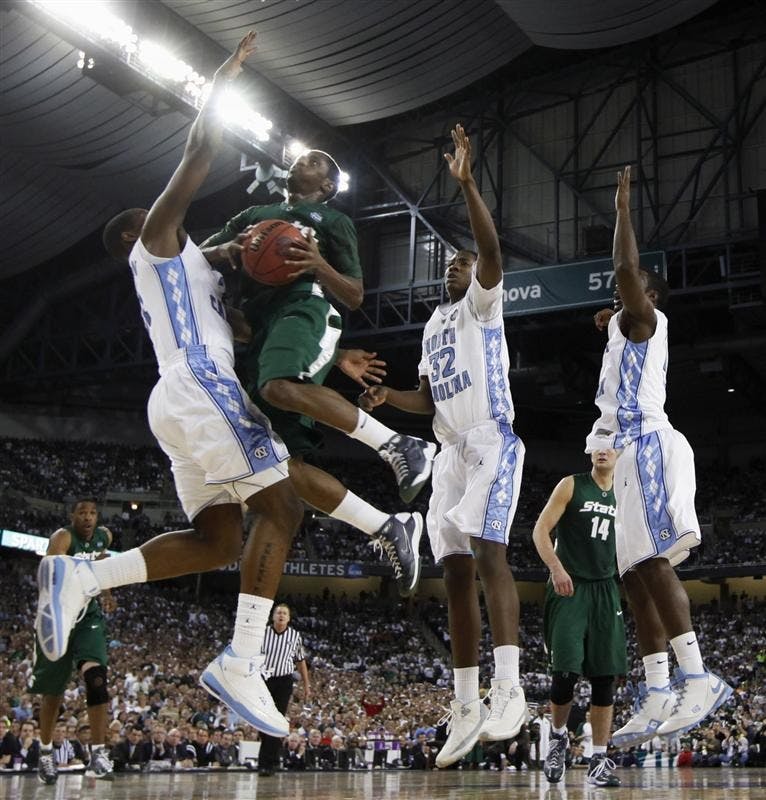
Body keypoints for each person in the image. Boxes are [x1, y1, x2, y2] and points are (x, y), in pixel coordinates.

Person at [35, 29, 304, 756]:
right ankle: (242, 660)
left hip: (180, 399)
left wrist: (252, 263)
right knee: (282, 505)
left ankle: (87, 576)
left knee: (219, 542)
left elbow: (242, 319)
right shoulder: (153, 240)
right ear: (135, 231)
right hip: (197, 388)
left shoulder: (191, 272)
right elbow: (199, 154)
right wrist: (223, 79)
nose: (173, 216)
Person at [360, 125, 527, 767]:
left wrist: (467, 185)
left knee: (489, 551)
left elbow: (490, 251)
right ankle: (465, 704)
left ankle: (508, 688)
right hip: (450, 450)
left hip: (491, 442)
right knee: (453, 571)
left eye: (464, 261)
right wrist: (387, 402)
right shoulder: (432, 327)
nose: (459, 266)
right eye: (452, 262)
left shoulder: (484, 306)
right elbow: (425, 400)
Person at [201, 150, 434, 596]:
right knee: (282, 466)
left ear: (327, 186)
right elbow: (199, 257)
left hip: (305, 307)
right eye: (302, 158)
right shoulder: (255, 214)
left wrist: (318, 265)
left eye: (314, 162)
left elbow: (355, 294)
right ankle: (389, 527)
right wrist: (227, 248)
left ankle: (399, 444)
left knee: (279, 385)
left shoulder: (332, 222)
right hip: (256, 327)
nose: (300, 162)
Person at [585, 166, 732, 747]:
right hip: (622, 459)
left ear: (647, 296)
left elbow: (625, 270)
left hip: (648, 445)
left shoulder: (646, 318)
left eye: (628, 290)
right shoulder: (623, 328)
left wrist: (622, 207)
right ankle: (655, 691)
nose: (618, 293)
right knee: (633, 580)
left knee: (652, 566)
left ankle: (698, 677)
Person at [532, 450, 626, 787]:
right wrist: (556, 568)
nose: (602, 450)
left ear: (620, 453)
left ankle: (598, 760)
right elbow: (540, 531)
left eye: (609, 444)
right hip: (570, 585)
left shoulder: (627, 491)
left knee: (605, 679)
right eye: (596, 443)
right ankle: (558, 738)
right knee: (565, 673)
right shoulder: (571, 485)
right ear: (588, 451)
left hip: (606, 589)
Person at [29, 499, 116, 785]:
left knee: (97, 678)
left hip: (87, 616)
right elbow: (51, 573)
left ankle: (99, 752)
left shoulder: (104, 536)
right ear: (73, 516)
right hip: (59, 613)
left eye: (92, 512)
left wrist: (106, 590)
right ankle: (44, 751)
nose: (88, 517)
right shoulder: (63, 538)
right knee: (53, 691)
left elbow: (103, 560)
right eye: (82, 513)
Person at [257, 603, 309, 776]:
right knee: (264, 720)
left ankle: (267, 762)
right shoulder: (263, 632)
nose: (281, 615)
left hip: (284, 681)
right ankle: (269, 759)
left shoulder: (295, 636)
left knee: (275, 720)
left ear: (289, 618)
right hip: (264, 679)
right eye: (278, 612)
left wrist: (306, 685)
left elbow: (301, 661)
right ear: (273, 616)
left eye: (284, 613)